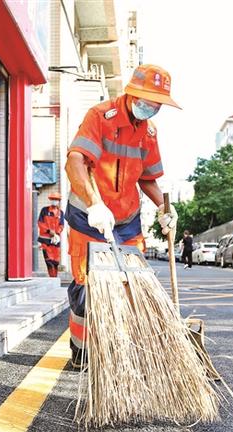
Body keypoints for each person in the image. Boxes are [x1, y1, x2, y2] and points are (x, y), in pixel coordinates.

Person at [64, 64, 181, 367]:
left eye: (157, 104)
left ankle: (126, 351)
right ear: (131, 94)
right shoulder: (100, 117)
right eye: (147, 101)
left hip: (127, 220)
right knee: (85, 285)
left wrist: (165, 209)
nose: (151, 108)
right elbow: (75, 161)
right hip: (89, 216)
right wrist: (94, 204)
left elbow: (148, 178)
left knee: (135, 283)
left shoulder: (149, 133)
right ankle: (82, 351)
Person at [37, 193, 66, 277]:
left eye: (56, 199)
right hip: (45, 240)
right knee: (48, 261)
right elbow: (40, 223)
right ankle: (52, 277)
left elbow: (61, 225)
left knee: (56, 261)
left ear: (59, 201)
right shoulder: (44, 210)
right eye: (53, 199)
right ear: (50, 200)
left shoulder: (61, 213)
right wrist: (49, 231)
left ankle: (54, 278)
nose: (54, 201)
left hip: (55, 240)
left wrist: (56, 233)